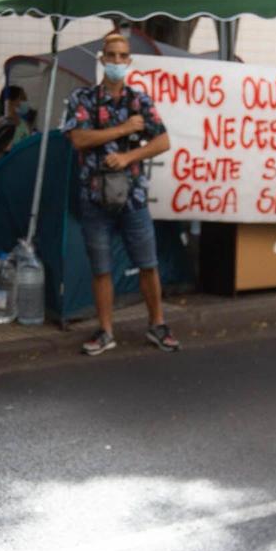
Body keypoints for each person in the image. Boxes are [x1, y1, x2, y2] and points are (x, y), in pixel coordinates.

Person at [63, 30, 178, 355]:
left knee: (148, 263)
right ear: (102, 59)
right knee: (101, 268)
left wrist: (128, 156)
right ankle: (105, 331)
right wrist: (126, 130)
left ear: (128, 61)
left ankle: (157, 325)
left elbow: (163, 141)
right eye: (110, 55)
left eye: (121, 56)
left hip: (134, 197)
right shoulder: (82, 98)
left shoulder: (139, 100)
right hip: (93, 197)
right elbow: (78, 139)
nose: (115, 61)